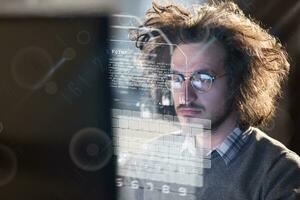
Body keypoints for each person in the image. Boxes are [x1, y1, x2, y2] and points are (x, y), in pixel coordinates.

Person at [117, 1, 300, 199]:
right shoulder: (149, 160)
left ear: (238, 82)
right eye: (176, 79)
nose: (186, 95)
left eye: (202, 79)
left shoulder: (280, 173)